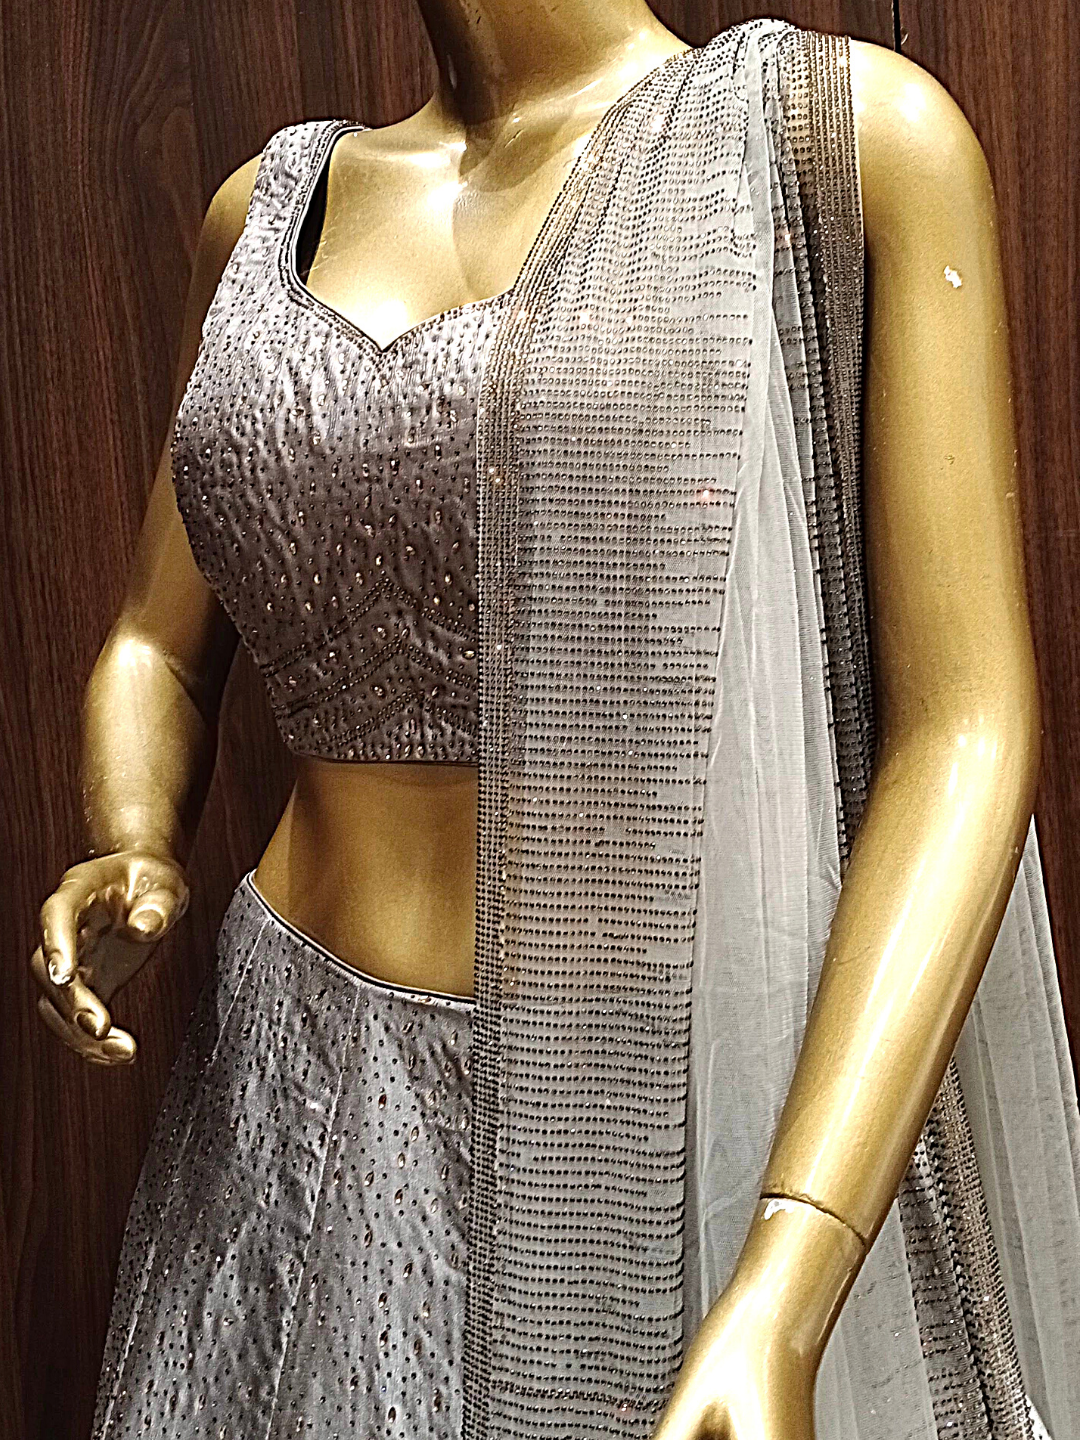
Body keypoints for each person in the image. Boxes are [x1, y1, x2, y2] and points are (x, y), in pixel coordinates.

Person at [31, 5, 1080, 1438]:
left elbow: (962, 730)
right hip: (281, 1089)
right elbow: (159, 640)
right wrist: (135, 835)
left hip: (644, 1104)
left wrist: (788, 1282)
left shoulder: (840, 142)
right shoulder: (268, 213)